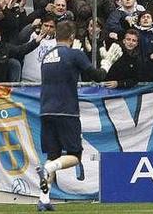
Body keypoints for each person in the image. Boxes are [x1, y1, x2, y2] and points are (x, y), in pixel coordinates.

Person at [35, 21, 114, 212]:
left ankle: (43, 199)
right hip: (66, 110)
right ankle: (48, 170)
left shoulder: (46, 55)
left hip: (46, 110)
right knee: (75, 156)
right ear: (72, 37)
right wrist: (107, 62)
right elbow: (97, 76)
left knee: (52, 155)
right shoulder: (74, 54)